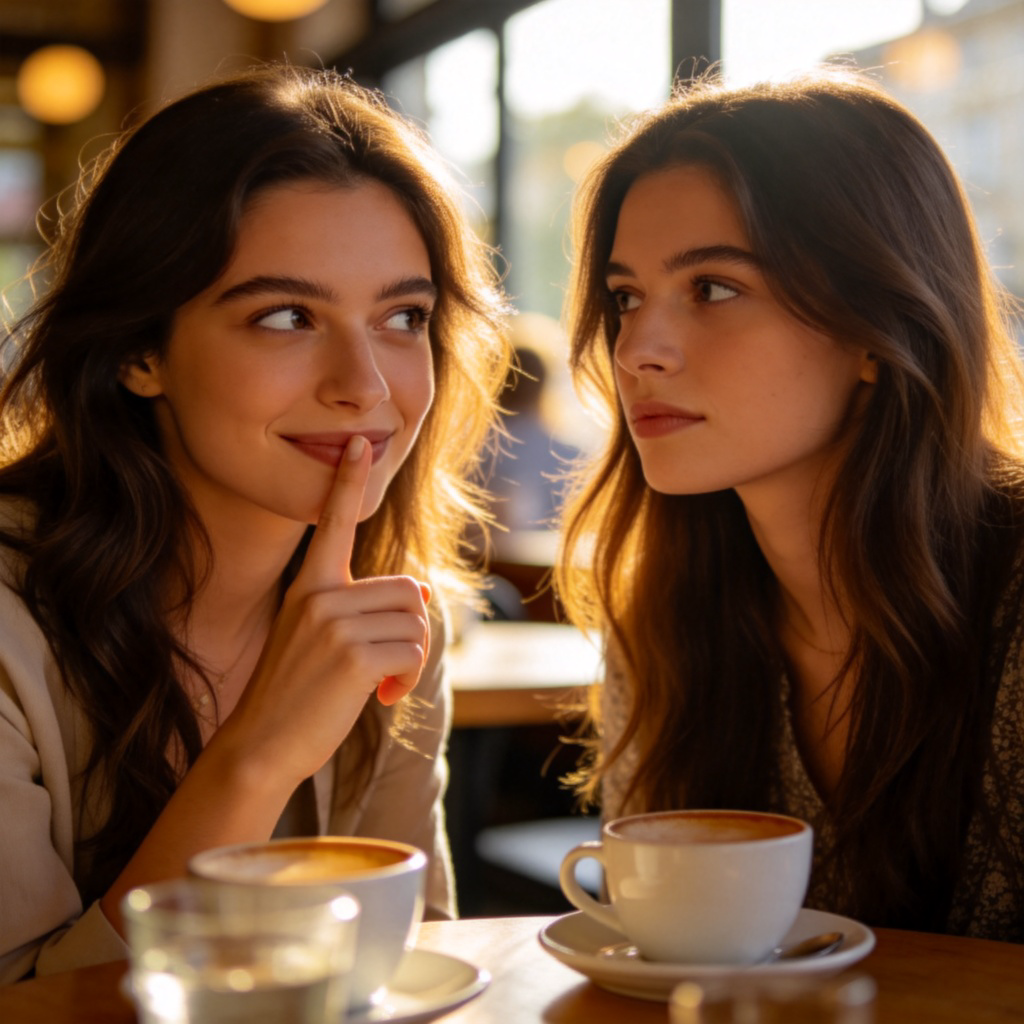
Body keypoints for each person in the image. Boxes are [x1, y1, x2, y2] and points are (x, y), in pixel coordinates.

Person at [0, 63, 509, 981]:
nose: (365, 386)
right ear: (136, 351)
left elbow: (409, 970)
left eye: (403, 316)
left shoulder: (389, 619)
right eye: (286, 315)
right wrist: (261, 753)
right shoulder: (10, 622)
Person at [556, 68, 1024, 941]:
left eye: (713, 289)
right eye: (626, 299)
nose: (638, 350)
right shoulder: (666, 615)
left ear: (875, 332)